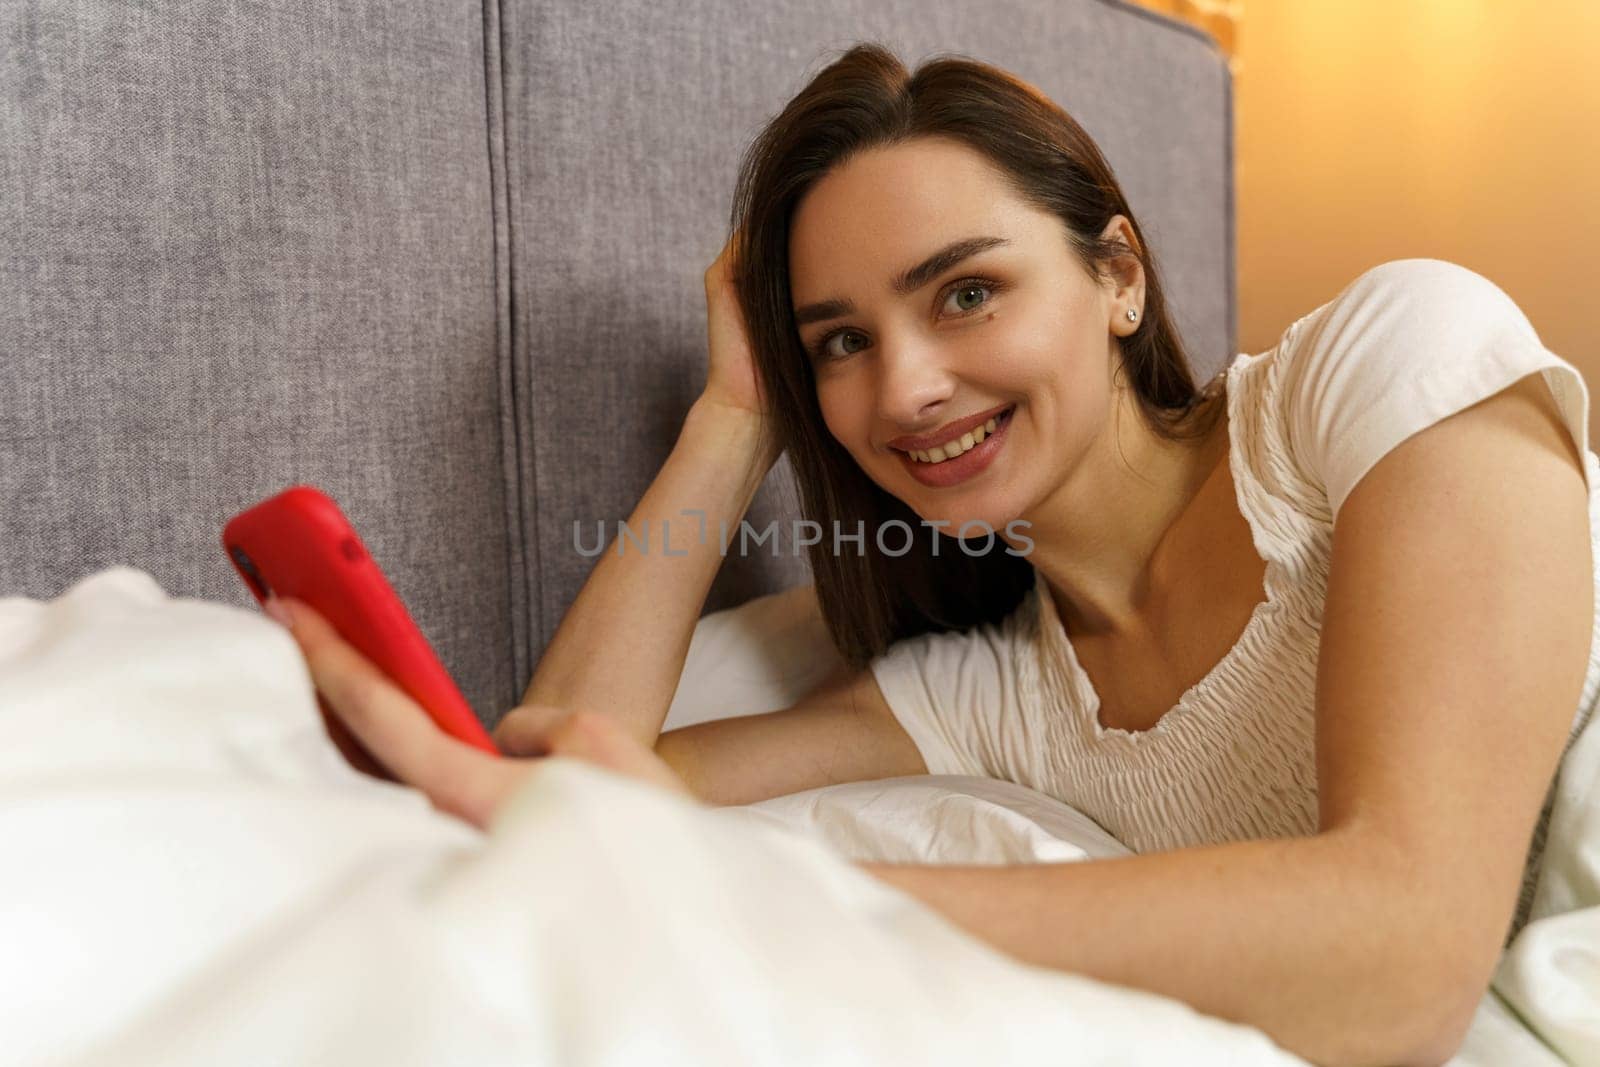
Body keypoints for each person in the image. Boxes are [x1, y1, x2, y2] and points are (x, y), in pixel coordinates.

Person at [265, 43, 1598, 1067]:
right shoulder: (990, 692)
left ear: (1118, 277)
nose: (903, 389)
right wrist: (736, 418)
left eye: (966, 292)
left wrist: (760, 898)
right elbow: (572, 770)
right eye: (840, 340)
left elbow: (1412, 956)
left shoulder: (1380, 370)